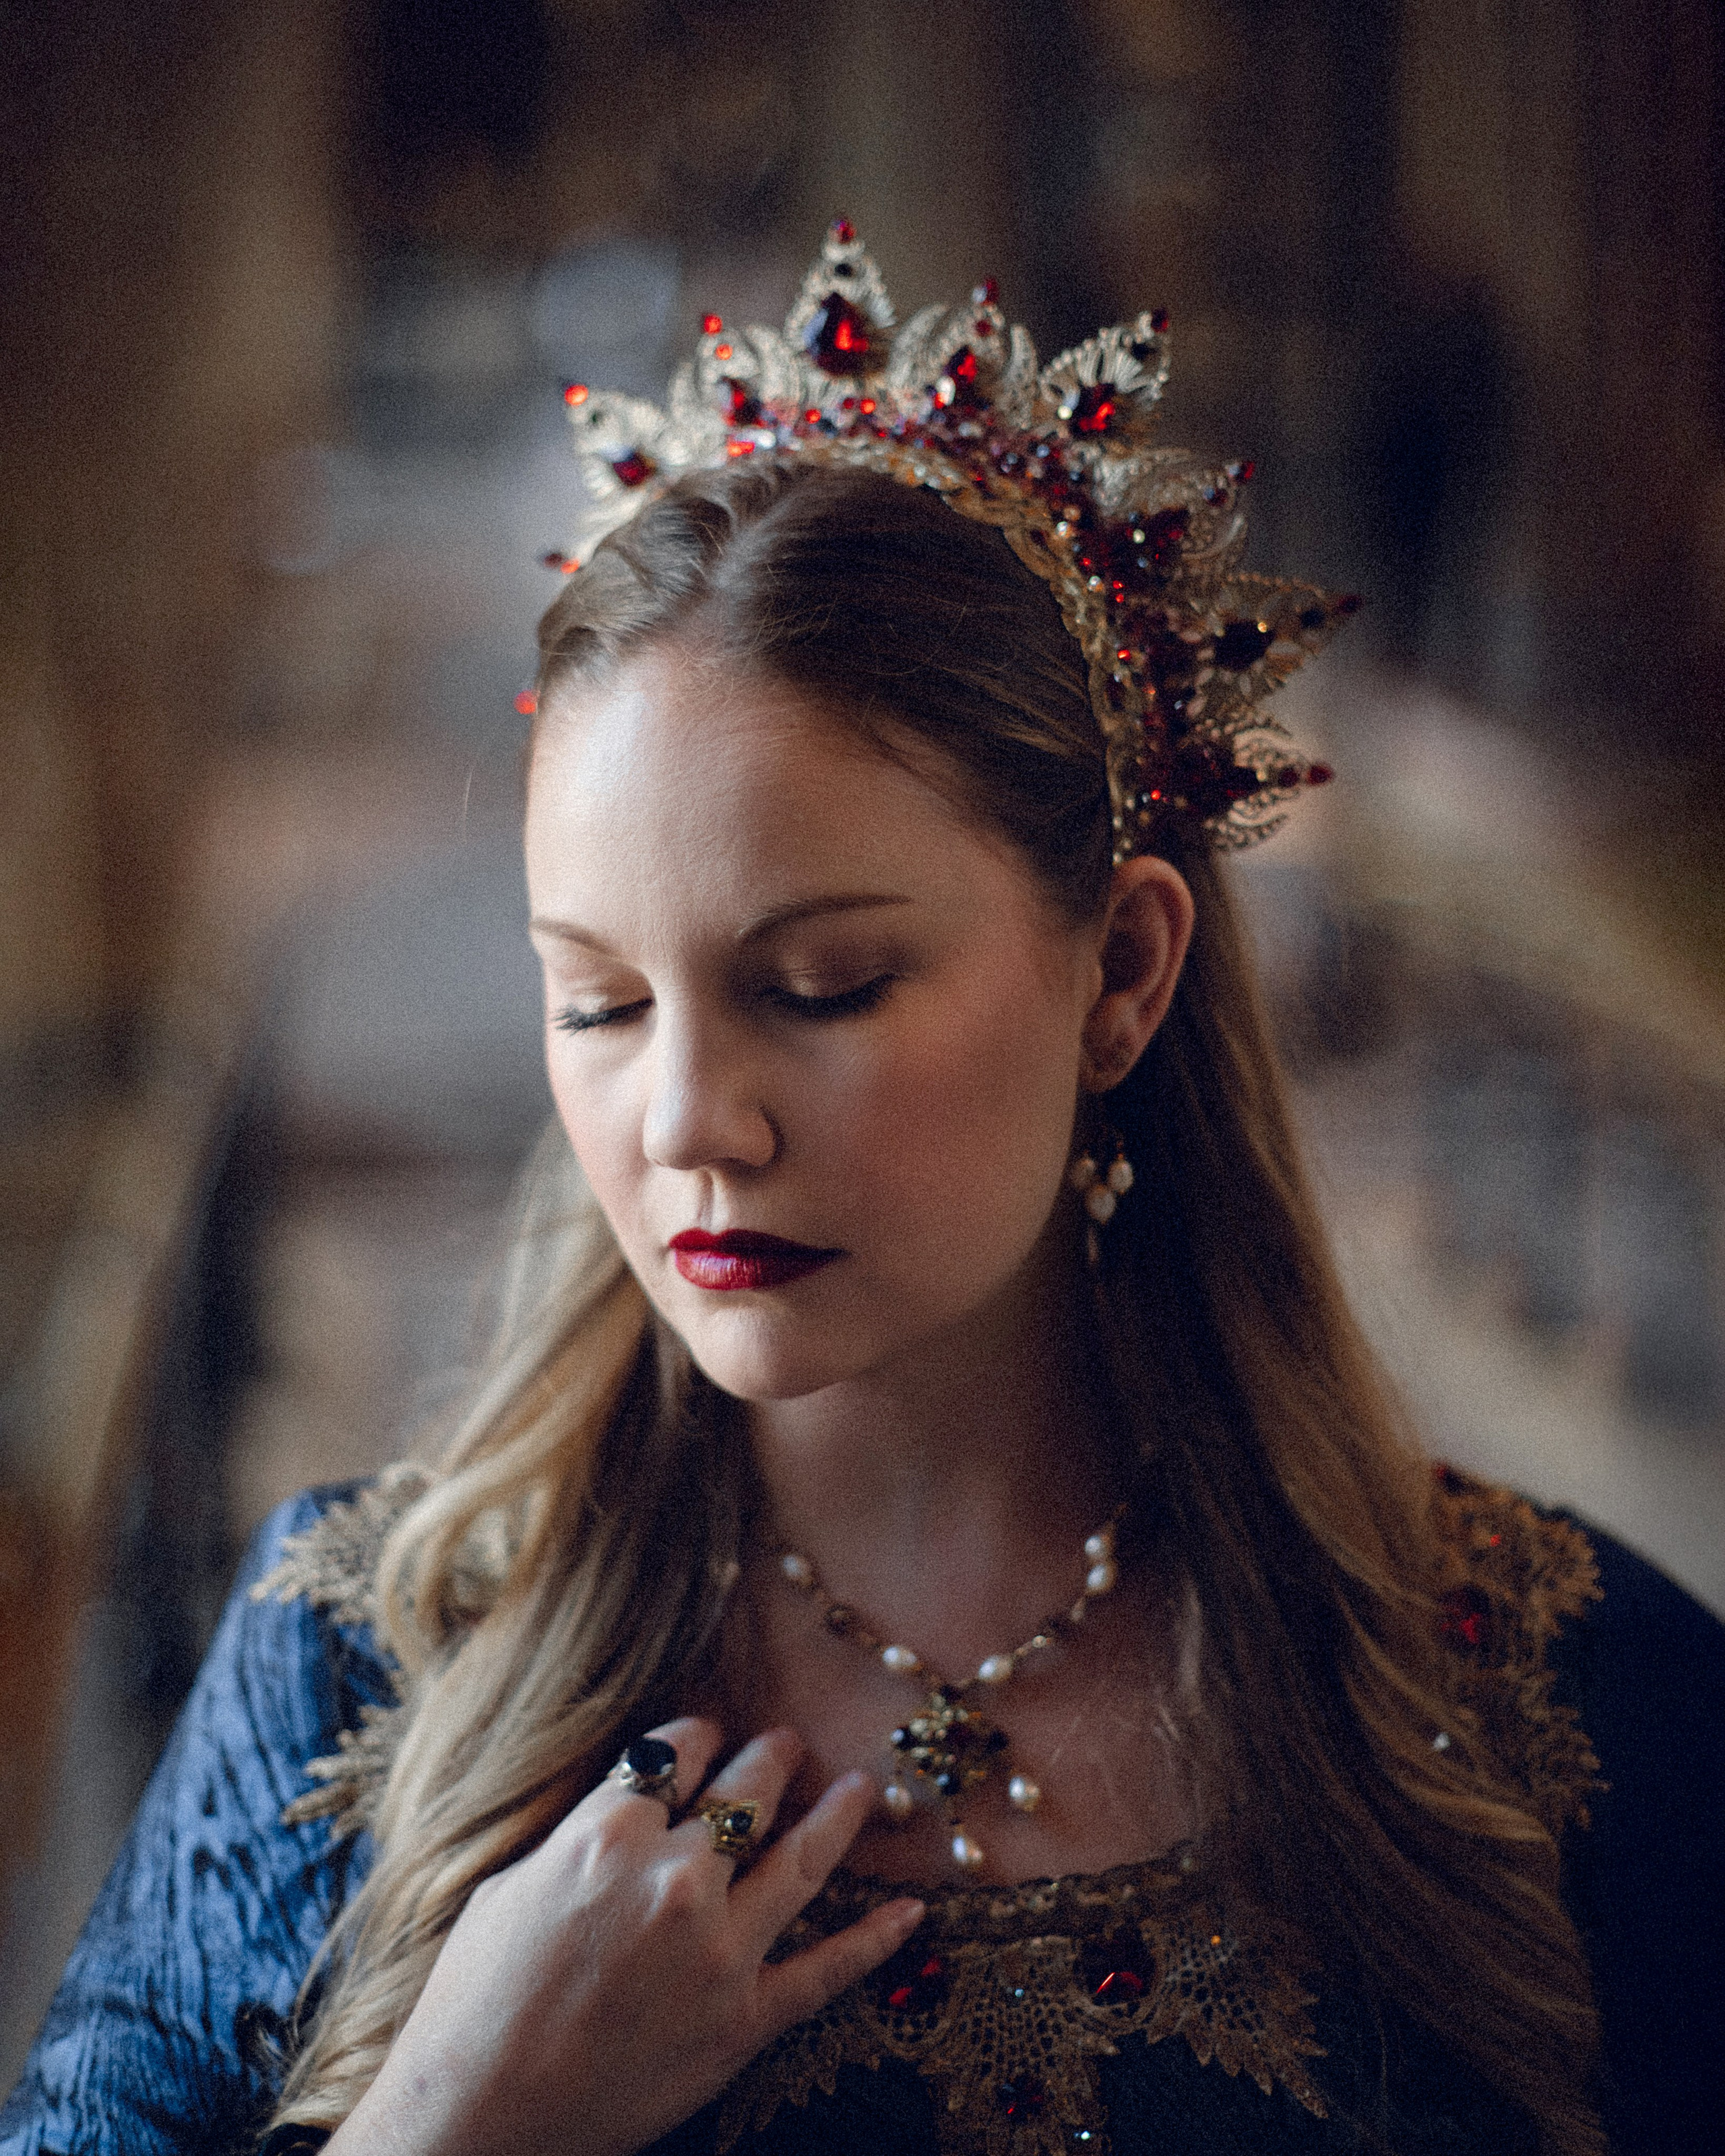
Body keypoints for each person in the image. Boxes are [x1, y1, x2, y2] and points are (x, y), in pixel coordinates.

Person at [3, 224, 1720, 2156]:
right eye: (597, 1001)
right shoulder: (350, 1670)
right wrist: (457, 2120)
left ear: (1125, 972)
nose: (686, 1124)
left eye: (818, 989)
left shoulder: (1564, 1707)